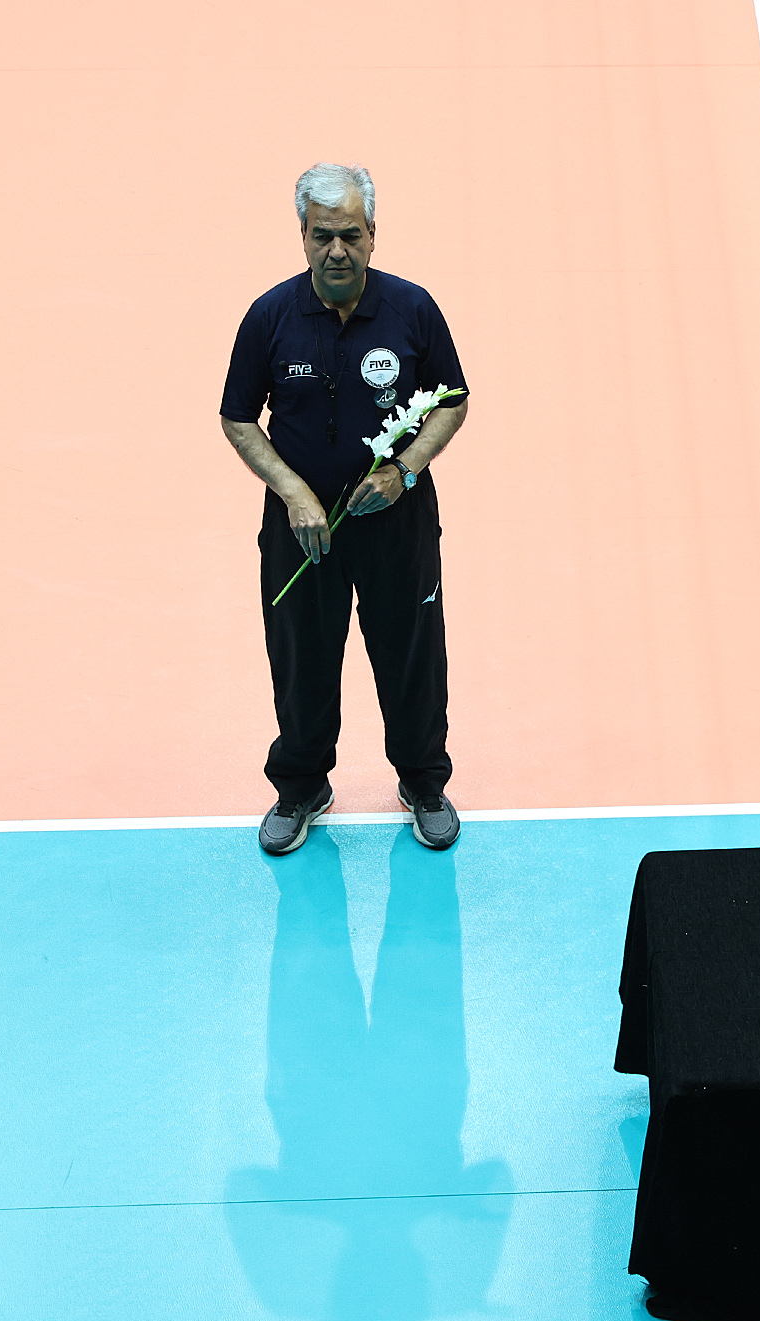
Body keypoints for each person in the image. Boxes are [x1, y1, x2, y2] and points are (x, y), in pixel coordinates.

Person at [221, 163, 470, 855]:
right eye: (323, 235)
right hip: (301, 532)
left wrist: (405, 470)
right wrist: (294, 492)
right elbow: (238, 417)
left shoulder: (412, 309)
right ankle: (301, 785)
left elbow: (452, 400)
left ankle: (423, 782)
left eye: (351, 235)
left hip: (397, 523)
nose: (337, 250)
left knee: (412, 653)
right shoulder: (270, 316)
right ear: (302, 235)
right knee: (300, 656)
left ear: (372, 235)